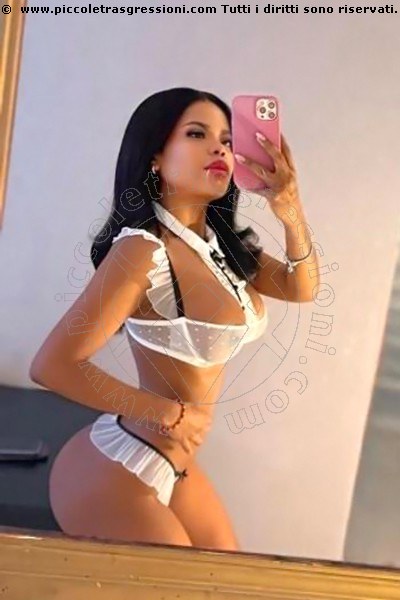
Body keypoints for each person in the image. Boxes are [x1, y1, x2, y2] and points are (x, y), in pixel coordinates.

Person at [29, 87, 315, 551]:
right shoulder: (142, 251)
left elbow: (301, 287)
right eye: (197, 134)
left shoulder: (222, 248)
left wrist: (290, 211)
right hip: (115, 469)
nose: (220, 149)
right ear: (156, 157)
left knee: (229, 578)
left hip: (175, 464)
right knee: (187, 582)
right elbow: (51, 365)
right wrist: (166, 412)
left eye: (227, 139)